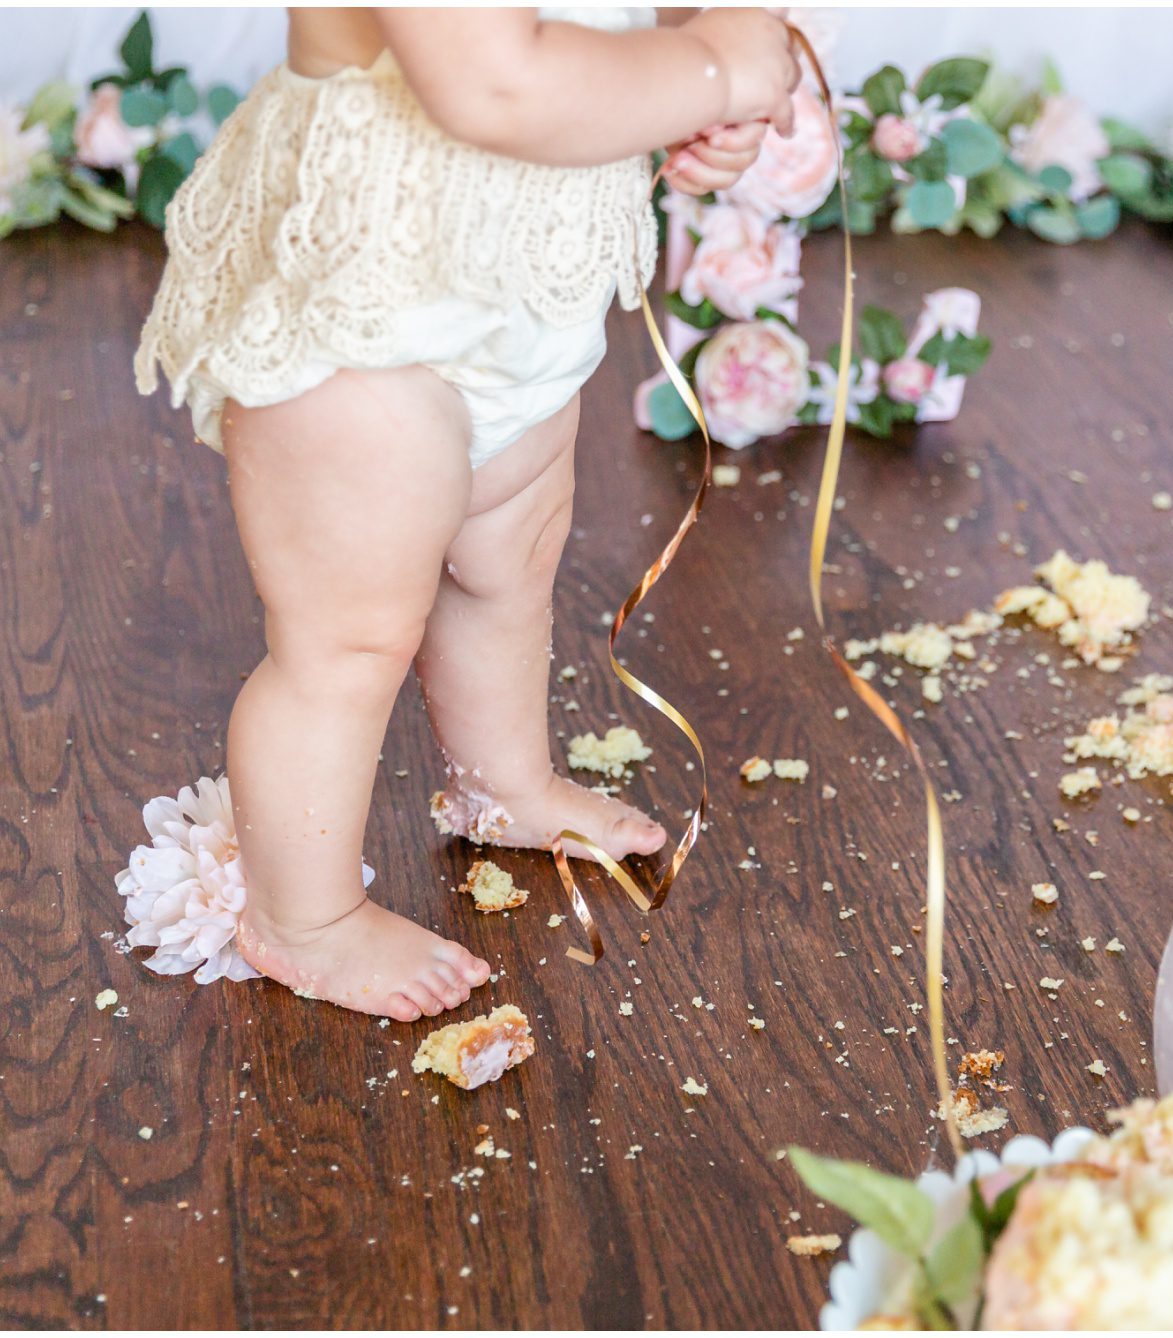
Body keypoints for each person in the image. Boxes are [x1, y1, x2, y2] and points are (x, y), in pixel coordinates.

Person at [134, 6, 800, 1019]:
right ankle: (300, 916)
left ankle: (505, 786)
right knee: (348, 640)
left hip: (526, 291)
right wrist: (709, 68)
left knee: (509, 562)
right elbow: (492, 82)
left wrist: (683, 77)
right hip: (370, 316)